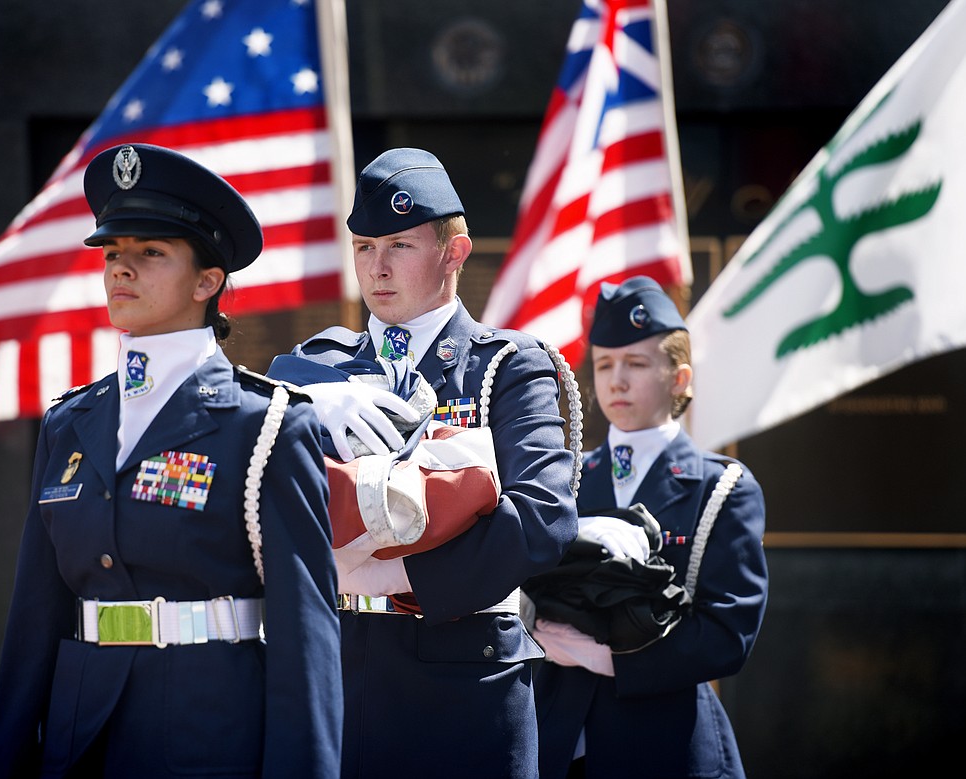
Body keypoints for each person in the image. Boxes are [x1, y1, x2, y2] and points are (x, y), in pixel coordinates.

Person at [0, 143, 342, 778]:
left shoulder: (266, 424)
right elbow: (33, 617)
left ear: (208, 281)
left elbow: (305, 638)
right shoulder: (70, 422)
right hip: (82, 731)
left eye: (150, 253)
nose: (122, 269)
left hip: (212, 729)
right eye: (114, 254)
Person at [269, 147, 580, 779]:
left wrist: (396, 579)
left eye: (400, 246)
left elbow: (543, 518)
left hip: (461, 684)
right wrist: (303, 400)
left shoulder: (507, 368)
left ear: (454, 251)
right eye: (364, 247)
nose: (377, 268)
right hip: (331, 677)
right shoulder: (311, 369)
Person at [529, 276, 769, 779]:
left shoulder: (721, 486)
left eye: (636, 364)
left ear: (680, 379)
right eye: (604, 364)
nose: (616, 380)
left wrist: (609, 657)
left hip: (664, 743)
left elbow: (728, 632)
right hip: (559, 742)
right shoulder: (564, 479)